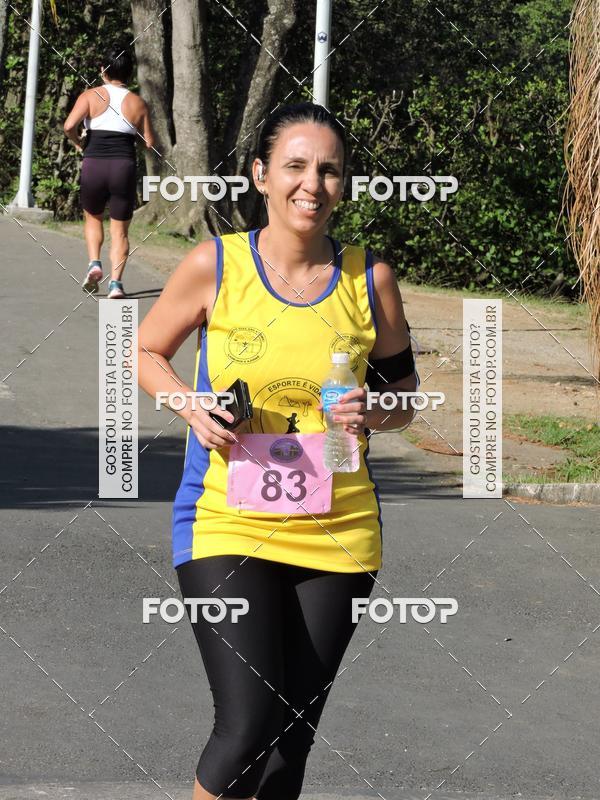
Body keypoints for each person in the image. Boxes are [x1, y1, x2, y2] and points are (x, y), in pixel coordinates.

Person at [137, 102, 418, 800]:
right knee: (247, 722)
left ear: (344, 185)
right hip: (225, 521)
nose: (311, 184)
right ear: (262, 175)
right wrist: (188, 402)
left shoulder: (369, 278)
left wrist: (372, 409)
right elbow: (146, 351)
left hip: (340, 532)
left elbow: (405, 394)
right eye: (294, 166)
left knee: (291, 743)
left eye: (328, 170)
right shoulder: (216, 265)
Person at [63, 46, 155, 298]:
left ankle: (94, 262)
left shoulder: (90, 96)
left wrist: (78, 142)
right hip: (123, 166)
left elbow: (69, 125)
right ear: (129, 73)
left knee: (92, 217)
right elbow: (149, 142)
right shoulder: (138, 103)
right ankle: (116, 284)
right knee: (120, 230)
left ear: (103, 71)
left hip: (94, 162)